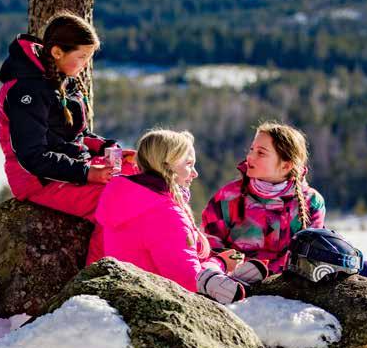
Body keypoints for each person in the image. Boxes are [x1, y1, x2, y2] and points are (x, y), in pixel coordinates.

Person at [0, 10, 135, 262]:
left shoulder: (63, 78)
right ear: (57, 52)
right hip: (39, 180)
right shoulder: (25, 91)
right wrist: (86, 174)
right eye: (82, 57)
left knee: (141, 178)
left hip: (71, 166)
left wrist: (106, 148)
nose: (85, 64)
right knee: (115, 204)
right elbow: (32, 156)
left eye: (88, 57)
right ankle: (98, 277)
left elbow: (76, 133)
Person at [93, 128, 266, 303]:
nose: (195, 173)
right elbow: (189, 281)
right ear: (167, 165)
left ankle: (232, 278)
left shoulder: (130, 198)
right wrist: (221, 262)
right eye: (189, 164)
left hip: (131, 296)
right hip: (159, 301)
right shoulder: (164, 212)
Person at [202, 121, 325, 279]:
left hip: (284, 283)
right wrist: (233, 267)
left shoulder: (311, 202)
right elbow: (210, 241)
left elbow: (307, 253)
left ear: (286, 166)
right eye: (252, 149)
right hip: (231, 281)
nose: (249, 157)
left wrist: (265, 272)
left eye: (261, 153)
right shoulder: (229, 196)